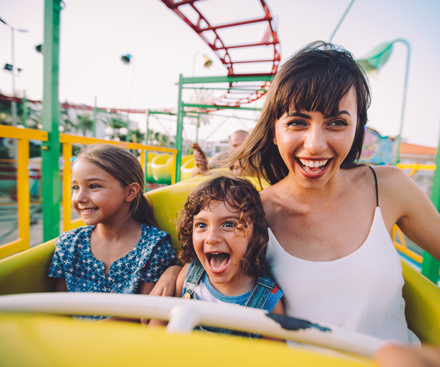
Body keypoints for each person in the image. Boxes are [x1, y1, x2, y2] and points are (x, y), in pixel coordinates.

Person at [230, 41, 440, 344]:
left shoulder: (390, 187)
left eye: (337, 123)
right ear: (274, 131)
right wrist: (173, 272)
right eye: (297, 122)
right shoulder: (253, 215)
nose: (315, 144)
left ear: (357, 129)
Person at [48, 144, 179, 321]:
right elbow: (59, 309)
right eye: (76, 187)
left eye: (94, 186)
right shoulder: (68, 244)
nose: (79, 198)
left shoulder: (154, 246)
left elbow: (144, 317)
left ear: (130, 192)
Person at [151, 175, 284, 339]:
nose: (211, 237)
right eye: (201, 225)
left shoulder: (268, 301)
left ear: (255, 234)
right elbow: (157, 329)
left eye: (229, 224)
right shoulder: (189, 275)